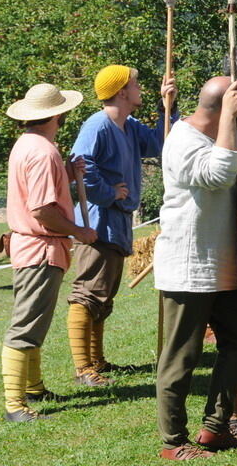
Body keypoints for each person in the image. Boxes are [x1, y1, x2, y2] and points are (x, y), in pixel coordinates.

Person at [153, 76, 237, 458]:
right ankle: (173, 443)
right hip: (189, 267)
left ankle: (216, 426)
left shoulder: (219, 135)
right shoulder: (183, 139)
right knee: (181, 358)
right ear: (219, 108)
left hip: (224, 265)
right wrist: (230, 117)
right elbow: (217, 174)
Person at [66, 65, 176, 385]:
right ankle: (83, 367)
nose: (140, 87)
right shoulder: (97, 125)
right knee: (87, 294)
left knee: (103, 295)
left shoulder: (129, 126)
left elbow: (160, 143)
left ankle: (96, 360)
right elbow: (79, 166)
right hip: (97, 222)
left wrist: (165, 105)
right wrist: (108, 193)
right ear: (121, 92)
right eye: (136, 84)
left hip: (118, 223)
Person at [0, 83, 96, 422]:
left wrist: (67, 174)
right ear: (57, 114)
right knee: (26, 324)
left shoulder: (31, 145)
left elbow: (40, 190)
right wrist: (79, 231)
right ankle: (15, 405)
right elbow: (42, 209)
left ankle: (34, 388)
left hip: (36, 248)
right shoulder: (42, 151)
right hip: (39, 249)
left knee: (36, 320)